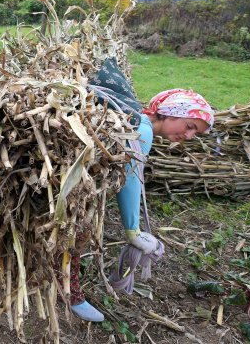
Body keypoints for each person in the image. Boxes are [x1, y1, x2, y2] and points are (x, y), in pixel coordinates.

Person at [67, 61, 215, 322]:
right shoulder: (142, 129)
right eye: (190, 125)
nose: (190, 136)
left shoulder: (135, 119)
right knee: (75, 234)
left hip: (73, 179)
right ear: (170, 113)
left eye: (196, 133)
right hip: (70, 184)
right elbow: (130, 180)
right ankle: (71, 295)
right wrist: (132, 230)